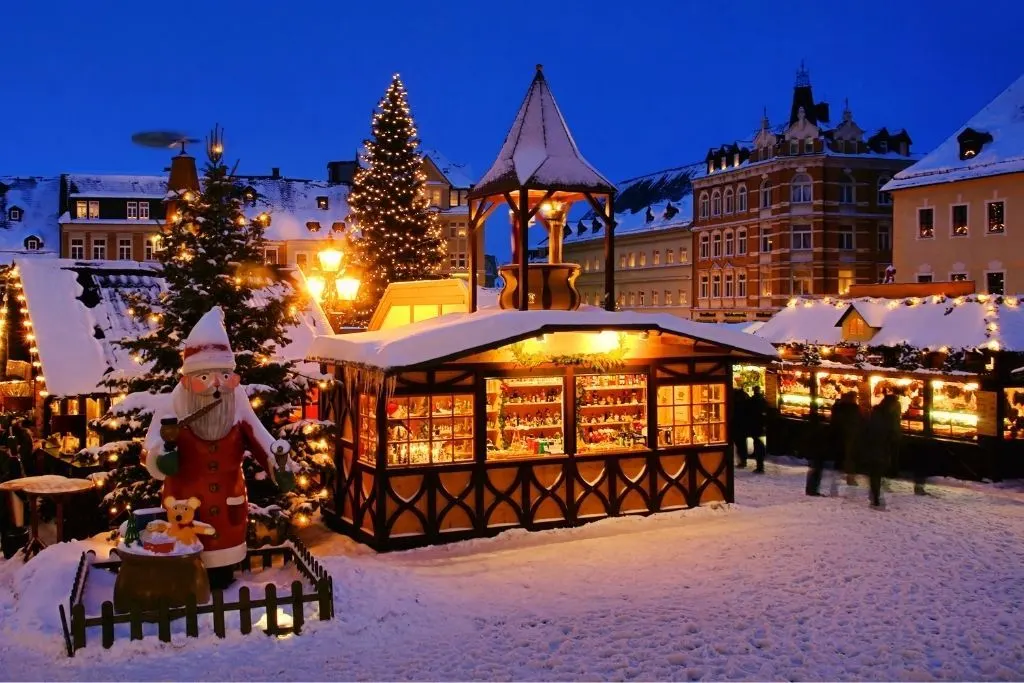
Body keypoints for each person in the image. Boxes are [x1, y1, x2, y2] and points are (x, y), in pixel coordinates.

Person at [145, 307, 297, 588]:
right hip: (185, 505)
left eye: (225, 376)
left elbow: (261, 439)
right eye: (205, 378)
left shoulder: (236, 401)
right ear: (187, 379)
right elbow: (151, 446)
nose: (217, 385)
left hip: (230, 504)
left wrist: (279, 467)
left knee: (224, 576)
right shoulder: (175, 404)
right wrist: (161, 456)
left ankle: (224, 583)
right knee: (190, 561)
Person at [865, 392, 901, 509]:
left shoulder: (877, 413)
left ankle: (875, 494)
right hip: (879, 447)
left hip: (876, 447)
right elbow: (890, 433)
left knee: (876, 472)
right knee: (876, 472)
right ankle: (875, 496)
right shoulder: (886, 416)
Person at [746, 386, 768, 473]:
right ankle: (760, 461)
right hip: (760, 424)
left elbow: (748, 412)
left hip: (754, 424)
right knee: (758, 441)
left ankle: (760, 464)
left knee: (757, 442)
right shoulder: (763, 400)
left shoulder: (752, 400)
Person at [731, 387, 750, 468]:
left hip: (736, 425)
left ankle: (741, 461)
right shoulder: (745, 399)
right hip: (743, 425)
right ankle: (743, 461)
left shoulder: (735, 401)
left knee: (739, 444)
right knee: (742, 444)